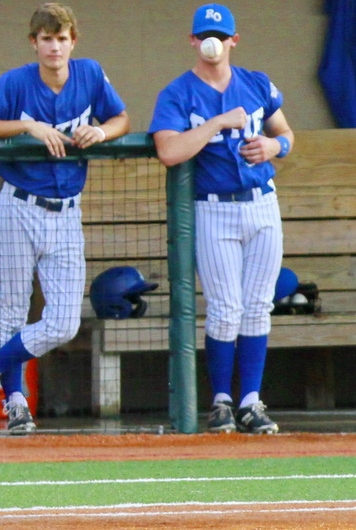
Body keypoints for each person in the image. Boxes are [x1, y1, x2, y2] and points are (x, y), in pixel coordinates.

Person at [0, 2, 130, 434]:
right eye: (47, 38)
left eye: (62, 38)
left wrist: (103, 131)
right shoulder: (16, 81)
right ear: (34, 42)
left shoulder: (89, 73)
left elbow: (123, 118)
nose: (55, 46)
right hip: (17, 206)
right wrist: (26, 126)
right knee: (13, 311)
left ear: (74, 41)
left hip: (66, 211)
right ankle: (16, 403)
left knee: (64, 322)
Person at [149, 3, 294, 434]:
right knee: (226, 309)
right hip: (212, 206)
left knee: (257, 307)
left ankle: (251, 399)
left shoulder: (256, 82)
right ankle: (222, 402)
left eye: (221, 34)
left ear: (234, 39)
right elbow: (168, 151)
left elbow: (285, 133)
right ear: (193, 41)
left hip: (262, 201)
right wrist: (216, 123)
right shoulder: (178, 92)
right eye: (204, 35)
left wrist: (274, 148)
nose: (212, 42)